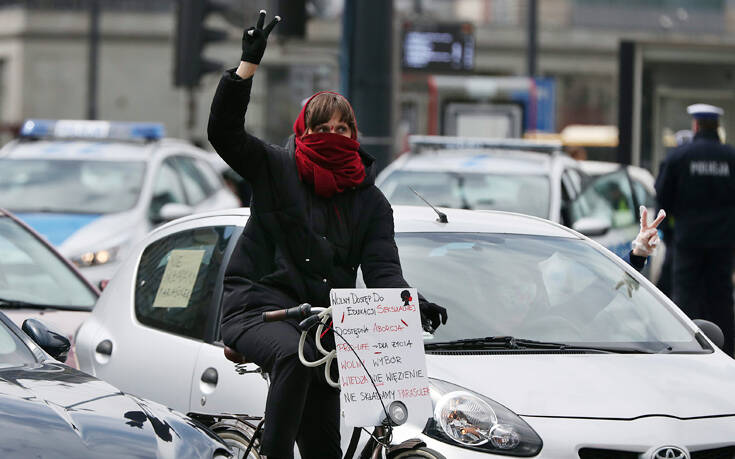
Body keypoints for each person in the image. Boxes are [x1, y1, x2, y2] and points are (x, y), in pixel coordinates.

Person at [207, 11, 447, 459]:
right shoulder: (276, 168)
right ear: (304, 132)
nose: (332, 136)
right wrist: (246, 68)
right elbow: (224, 133)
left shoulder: (371, 203)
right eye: (321, 129)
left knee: (324, 446)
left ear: (354, 135)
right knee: (294, 360)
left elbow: (382, 274)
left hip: (324, 326)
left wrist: (412, 305)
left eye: (341, 129)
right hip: (258, 310)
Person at [655, 103, 735, 356]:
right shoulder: (730, 157)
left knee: (684, 298)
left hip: (688, 241)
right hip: (722, 243)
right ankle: (727, 351)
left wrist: (670, 234)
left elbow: (663, 197)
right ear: (717, 127)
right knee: (721, 298)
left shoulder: (680, 156)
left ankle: (683, 349)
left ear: (696, 125)